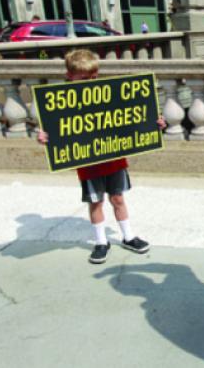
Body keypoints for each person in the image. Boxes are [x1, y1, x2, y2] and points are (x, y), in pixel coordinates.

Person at [37, 49, 166, 264]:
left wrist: (155, 123)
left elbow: (132, 116)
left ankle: (128, 236)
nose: (90, 82)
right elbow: (55, 129)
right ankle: (100, 241)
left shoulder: (110, 94)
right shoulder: (59, 101)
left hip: (114, 157)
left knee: (118, 198)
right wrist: (44, 137)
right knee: (95, 203)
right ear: (70, 76)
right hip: (88, 163)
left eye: (94, 77)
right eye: (84, 78)